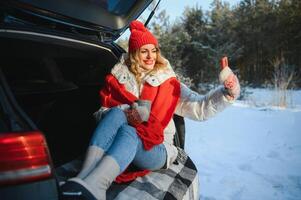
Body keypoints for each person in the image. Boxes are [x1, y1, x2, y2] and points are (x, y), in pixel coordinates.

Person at [61, 20, 240, 200]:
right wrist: (126, 111)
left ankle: (99, 185)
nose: (150, 56)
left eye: (154, 50)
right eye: (144, 51)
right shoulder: (116, 80)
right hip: (118, 140)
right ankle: (83, 178)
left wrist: (228, 92)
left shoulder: (168, 83)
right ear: (133, 53)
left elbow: (200, 108)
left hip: (157, 147)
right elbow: (102, 115)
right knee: (116, 113)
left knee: (130, 132)